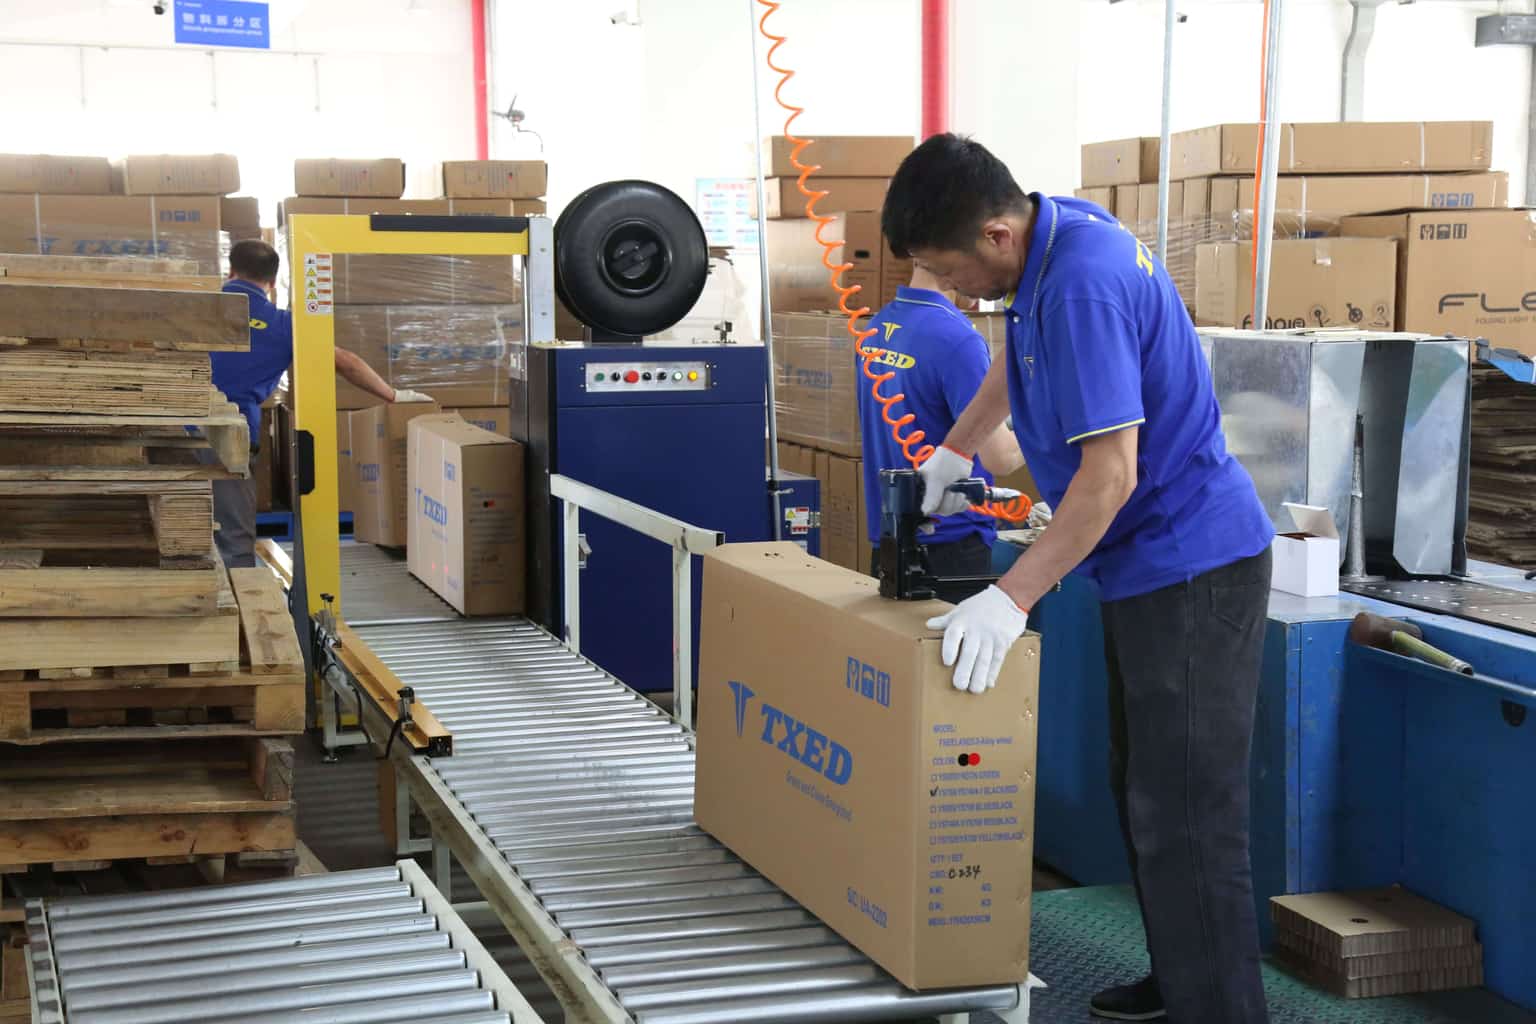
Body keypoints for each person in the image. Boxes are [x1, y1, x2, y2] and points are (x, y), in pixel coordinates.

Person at [881, 134, 1275, 1024]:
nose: (953, 291)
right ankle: (1183, 978)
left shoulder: (1083, 284)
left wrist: (1011, 594)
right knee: (1143, 787)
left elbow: (1111, 478)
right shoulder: (1048, 244)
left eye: (951, 271)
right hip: (1142, 566)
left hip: (1193, 567)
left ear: (993, 233)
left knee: (1188, 811)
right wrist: (950, 451)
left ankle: (1221, 1008)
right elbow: (1012, 370)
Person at [207, 240, 432, 569]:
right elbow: (345, 362)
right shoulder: (285, 325)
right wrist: (394, 397)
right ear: (272, 283)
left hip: (171, 428)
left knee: (176, 528)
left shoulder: (198, 307)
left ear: (230, 271)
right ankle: (233, 615)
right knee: (234, 540)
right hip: (229, 436)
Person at [857, 267, 1023, 582]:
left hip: (890, 539)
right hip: (951, 547)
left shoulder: (878, 327)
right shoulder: (956, 340)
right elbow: (1000, 457)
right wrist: (1053, 422)